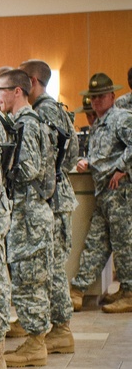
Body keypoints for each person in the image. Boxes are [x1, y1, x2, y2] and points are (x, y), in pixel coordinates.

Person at [0, 70, 56, 365]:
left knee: (29, 279)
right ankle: (35, 335)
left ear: (18, 91)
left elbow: (29, 169)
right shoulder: (27, 122)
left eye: (2, 90)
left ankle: (36, 343)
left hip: (29, 214)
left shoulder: (27, 125)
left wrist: (3, 168)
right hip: (30, 212)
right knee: (28, 277)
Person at [21, 60, 79, 353]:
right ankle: (54, 324)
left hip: (51, 197)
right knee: (53, 264)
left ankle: (60, 328)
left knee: (52, 267)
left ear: (32, 80)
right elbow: (71, 156)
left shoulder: (41, 112)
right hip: (61, 191)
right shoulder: (58, 108)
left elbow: (44, 160)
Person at [72, 73, 132, 313]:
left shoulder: (121, 118)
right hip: (103, 193)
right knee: (95, 242)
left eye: (101, 96)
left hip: (120, 193)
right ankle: (77, 290)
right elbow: (101, 154)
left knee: (124, 243)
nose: (96, 101)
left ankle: (129, 292)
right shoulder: (99, 124)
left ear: (112, 96)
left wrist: (121, 167)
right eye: (93, 97)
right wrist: (86, 161)